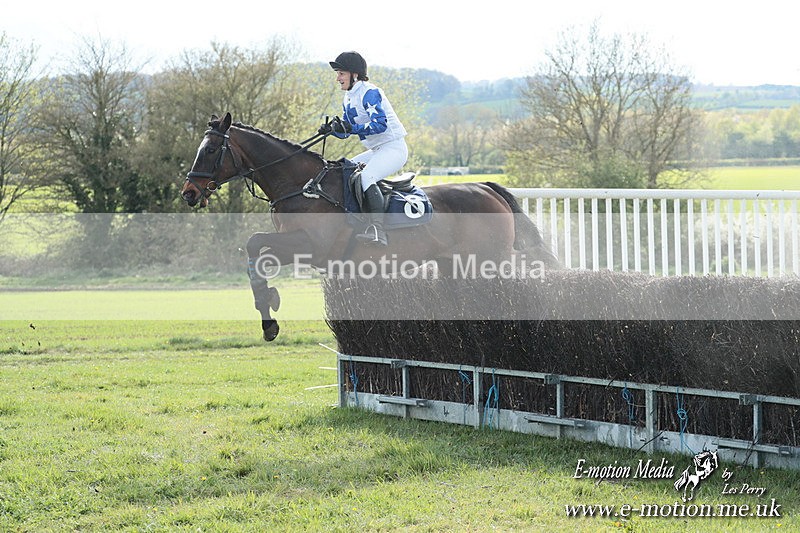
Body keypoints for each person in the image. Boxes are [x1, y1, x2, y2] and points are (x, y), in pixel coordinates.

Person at [319, 51, 408, 246]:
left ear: (355, 74)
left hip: (393, 149)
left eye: (341, 73)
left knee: (366, 177)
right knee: (346, 169)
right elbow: (348, 130)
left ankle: (378, 231)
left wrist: (350, 128)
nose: (338, 78)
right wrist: (333, 130)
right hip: (377, 150)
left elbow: (380, 125)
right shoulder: (349, 98)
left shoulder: (369, 92)